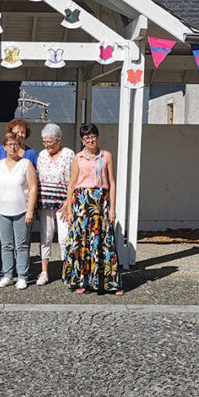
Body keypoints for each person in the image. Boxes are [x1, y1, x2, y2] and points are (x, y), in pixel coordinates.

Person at [61, 123, 123, 294]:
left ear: (97, 137)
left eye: (93, 136)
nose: (90, 140)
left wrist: (112, 208)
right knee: (82, 242)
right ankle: (82, 281)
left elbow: (112, 183)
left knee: (104, 241)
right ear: (82, 140)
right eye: (87, 137)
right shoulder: (78, 158)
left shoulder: (106, 156)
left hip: (100, 201)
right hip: (81, 202)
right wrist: (68, 210)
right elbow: (71, 185)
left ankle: (109, 282)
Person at [0, 132, 38, 289]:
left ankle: (22, 276)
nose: (13, 147)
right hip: (2, 211)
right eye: (9, 144)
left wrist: (30, 210)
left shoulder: (26, 164)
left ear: (20, 146)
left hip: (21, 210)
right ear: (4, 147)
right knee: (6, 245)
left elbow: (32, 188)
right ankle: (7, 275)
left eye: (16, 144)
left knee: (22, 245)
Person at [35, 123, 73, 285]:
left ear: (58, 140)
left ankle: (67, 271)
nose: (46, 145)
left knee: (64, 237)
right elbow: (37, 177)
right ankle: (44, 272)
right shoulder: (42, 154)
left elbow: (73, 179)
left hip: (63, 202)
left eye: (49, 141)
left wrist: (68, 203)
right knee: (46, 236)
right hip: (45, 202)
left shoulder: (68, 154)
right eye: (44, 141)